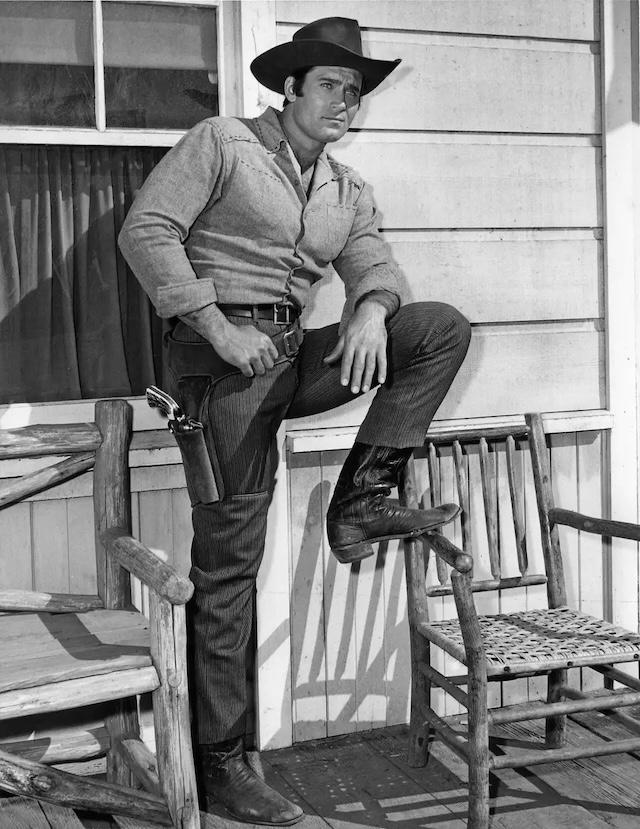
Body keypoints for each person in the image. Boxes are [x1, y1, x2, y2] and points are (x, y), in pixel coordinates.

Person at [119, 16, 471, 826]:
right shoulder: (222, 143)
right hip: (219, 363)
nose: (347, 102)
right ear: (290, 88)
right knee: (230, 564)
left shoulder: (345, 190)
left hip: (290, 351)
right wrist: (218, 326)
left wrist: (373, 310)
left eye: (356, 91)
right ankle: (223, 764)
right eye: (332, 86)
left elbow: (375, 262)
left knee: (437, 328)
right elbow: (146, 231)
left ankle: (359, 501)